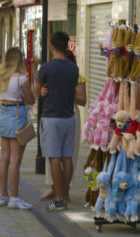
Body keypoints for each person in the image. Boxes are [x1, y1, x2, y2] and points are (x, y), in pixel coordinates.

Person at [36, 31, 80, 212]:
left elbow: (37, 91)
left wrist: (43, 92)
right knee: (67, 157)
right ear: (67, 46)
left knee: (54, 157)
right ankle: (65, 192)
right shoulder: (73, 68)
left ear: (52, 46)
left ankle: (59, 198)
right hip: (69, 117)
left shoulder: (46, 68)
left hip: (51, 117)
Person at [0, 47, 35, 210]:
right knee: (15, 160)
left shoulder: (0, 77)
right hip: (18, 114)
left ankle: (3, 195)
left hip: (4, 114)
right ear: (19, 60)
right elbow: (31, 99)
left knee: (4, 158)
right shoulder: (21, 79)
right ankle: (15, 197)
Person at [40, 49, 87, 202]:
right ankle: (55, 189)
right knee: (52, 156)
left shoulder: (77, 76)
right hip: (54, 114)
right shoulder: (51, 73)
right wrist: (43, 90)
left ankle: (64, 191)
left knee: (68, 155)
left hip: (68, 113)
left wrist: (65, 92)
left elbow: (82, 100)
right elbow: (39, 91)